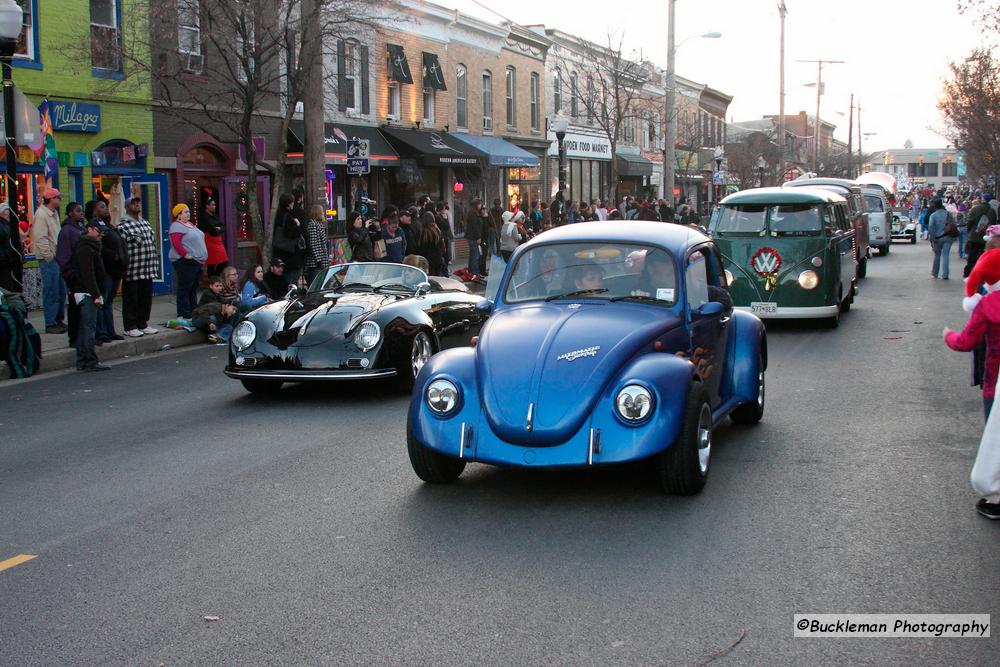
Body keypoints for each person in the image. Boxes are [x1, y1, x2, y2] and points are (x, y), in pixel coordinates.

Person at [946, 248, 1000, 519]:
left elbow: (965, 342)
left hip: (995, 380)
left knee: (996, 441)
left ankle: (996, 498)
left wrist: (947, 335)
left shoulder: (988, 306)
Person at [118, 197, 160, 338]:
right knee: (131, 299)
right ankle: (130, 326)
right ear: (127, 207)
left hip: (147, 269)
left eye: (138, 203)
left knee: (145, 299)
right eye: (133, 203)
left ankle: (143, 323)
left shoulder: (145, 223)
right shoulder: (123, 226)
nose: (137, 205)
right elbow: (121, 249)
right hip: (133, 270)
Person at [72, 219, 109, 372]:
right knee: (88, 328)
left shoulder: (91, 246)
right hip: (87, 293)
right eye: (99, 231)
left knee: (84, 328)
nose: (102, 234)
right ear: (90, 229)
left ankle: (82, 360)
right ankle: (89, 360)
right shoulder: (85, 248)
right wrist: (96, 294)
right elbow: (88, 274)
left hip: (88, 291)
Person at [32, 188, 66, 333]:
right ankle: (51, 322)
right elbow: (41, 238)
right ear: (51, 199)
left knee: (60, 290)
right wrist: (49, 256)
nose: (60, 200)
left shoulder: (54, 214)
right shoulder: (41, 215)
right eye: (58, 197)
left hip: (57, 257)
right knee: (51, 290)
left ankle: (58, 319)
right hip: (49, 259)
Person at [167, 203, 207, 318]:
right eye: (185, 212)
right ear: (178, 215)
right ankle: (184, 312)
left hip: (196, 261)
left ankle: (193, 309)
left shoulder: (190, 225)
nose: (188, 214)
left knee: (193, 286)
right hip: (185, 261)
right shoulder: (176, 226)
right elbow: (176, 243)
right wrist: (185, 254)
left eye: (188, 211)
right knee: (185, 286)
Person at [56, 202, 85, 347]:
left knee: (81, 308)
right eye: (78, 211)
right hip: (74, 276)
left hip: (82, 274)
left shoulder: (79, 228)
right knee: (74, 308)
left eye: (82, 211)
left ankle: (81, 336)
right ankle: (73, 338)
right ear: (70, 213)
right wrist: (70, 273)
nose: (81, 213)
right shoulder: (67, 231)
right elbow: (63, 256)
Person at [96, 208, 127, 344]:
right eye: (102, 207)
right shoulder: (96, 229)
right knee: (103, 301)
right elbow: (101, 248)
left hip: (116, 270)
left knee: (109, 301)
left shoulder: (111, 228)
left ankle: (110, 331)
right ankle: (102, 332)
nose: (106, 210)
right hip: (106, 270)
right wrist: (113, 256)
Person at [272, 193, 305, 286]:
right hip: (290, 257)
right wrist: (298, 225)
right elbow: (293, 234)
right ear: (289, 203)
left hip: (280, 255)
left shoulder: (277, 215)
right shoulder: (289, 217)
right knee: (291, 284)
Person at [966, 194, 997, 277]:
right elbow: (993, 224)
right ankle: (982, 272)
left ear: (982, 199)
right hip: (986, 237)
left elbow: (969, 222)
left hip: (974, 236)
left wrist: (969, 232)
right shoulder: (992, 211)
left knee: (972, 255)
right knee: (983, 256)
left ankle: (968, 272)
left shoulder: (975, 208)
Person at [198, 197, 228, 277]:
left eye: (215, 205)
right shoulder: (204, 217)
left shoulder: (215, 216)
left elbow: (223, 226)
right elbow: (213, 231)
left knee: (223, 261)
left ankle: (214, 278)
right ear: (207, 206)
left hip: (218, 242)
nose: (215, 206)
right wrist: (218, 228)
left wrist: (218, 228)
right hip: (209, 242)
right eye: (213, 205)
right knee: (212, 263)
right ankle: (212, 279)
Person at [928, 199, 954, 280]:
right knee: (946, 256)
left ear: (935, 206)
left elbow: (931, 227)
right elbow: (953, 224)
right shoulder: (948, 214)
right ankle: (945, 274)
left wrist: (932, 238)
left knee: (937, 255)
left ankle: (935, 273)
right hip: (948, 237)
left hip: (937, 238)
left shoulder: (933, 215)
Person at [304, 204, 330, 286]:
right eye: (322, 212)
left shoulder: (320, 225)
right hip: (315, 262)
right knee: (315, 284)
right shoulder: (313, 225)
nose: (323, 214)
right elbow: (313, 243)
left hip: (321, 260)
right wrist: (318, 260)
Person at [0, 202, 23, 294]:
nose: (10, 212)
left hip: (11, 262)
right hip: (5, 263)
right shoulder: (3, 226)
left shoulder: (9, 224)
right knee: (7, 287)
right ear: (3, 212)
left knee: (12, 286)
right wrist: (7, 257)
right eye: (8, 210)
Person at [414, 212, 446, 277]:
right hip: (437, 257)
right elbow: (442, 245)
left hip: (426, 260)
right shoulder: (437, 230)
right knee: (438, 277)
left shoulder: (422, 232)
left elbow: (420, 248)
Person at [464, 199, 482, 276]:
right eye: (479, 204)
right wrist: (478, 237)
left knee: (472, 255)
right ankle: (475, 272)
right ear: (476, 205)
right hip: (473, 237)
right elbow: (475, 227)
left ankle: (471, 271)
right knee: (475, 255)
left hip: (471, 237)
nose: (480, 206)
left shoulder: (472, 213)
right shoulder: (473, 214)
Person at [434, 201, 453, 275]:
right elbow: (446, 226)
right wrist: (445, 219)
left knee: (445, 256)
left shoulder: (437, 216)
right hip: (442, 238)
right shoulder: (439, 217)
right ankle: (444, 272)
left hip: (444, 237)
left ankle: (445, 271)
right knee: (444, 256)